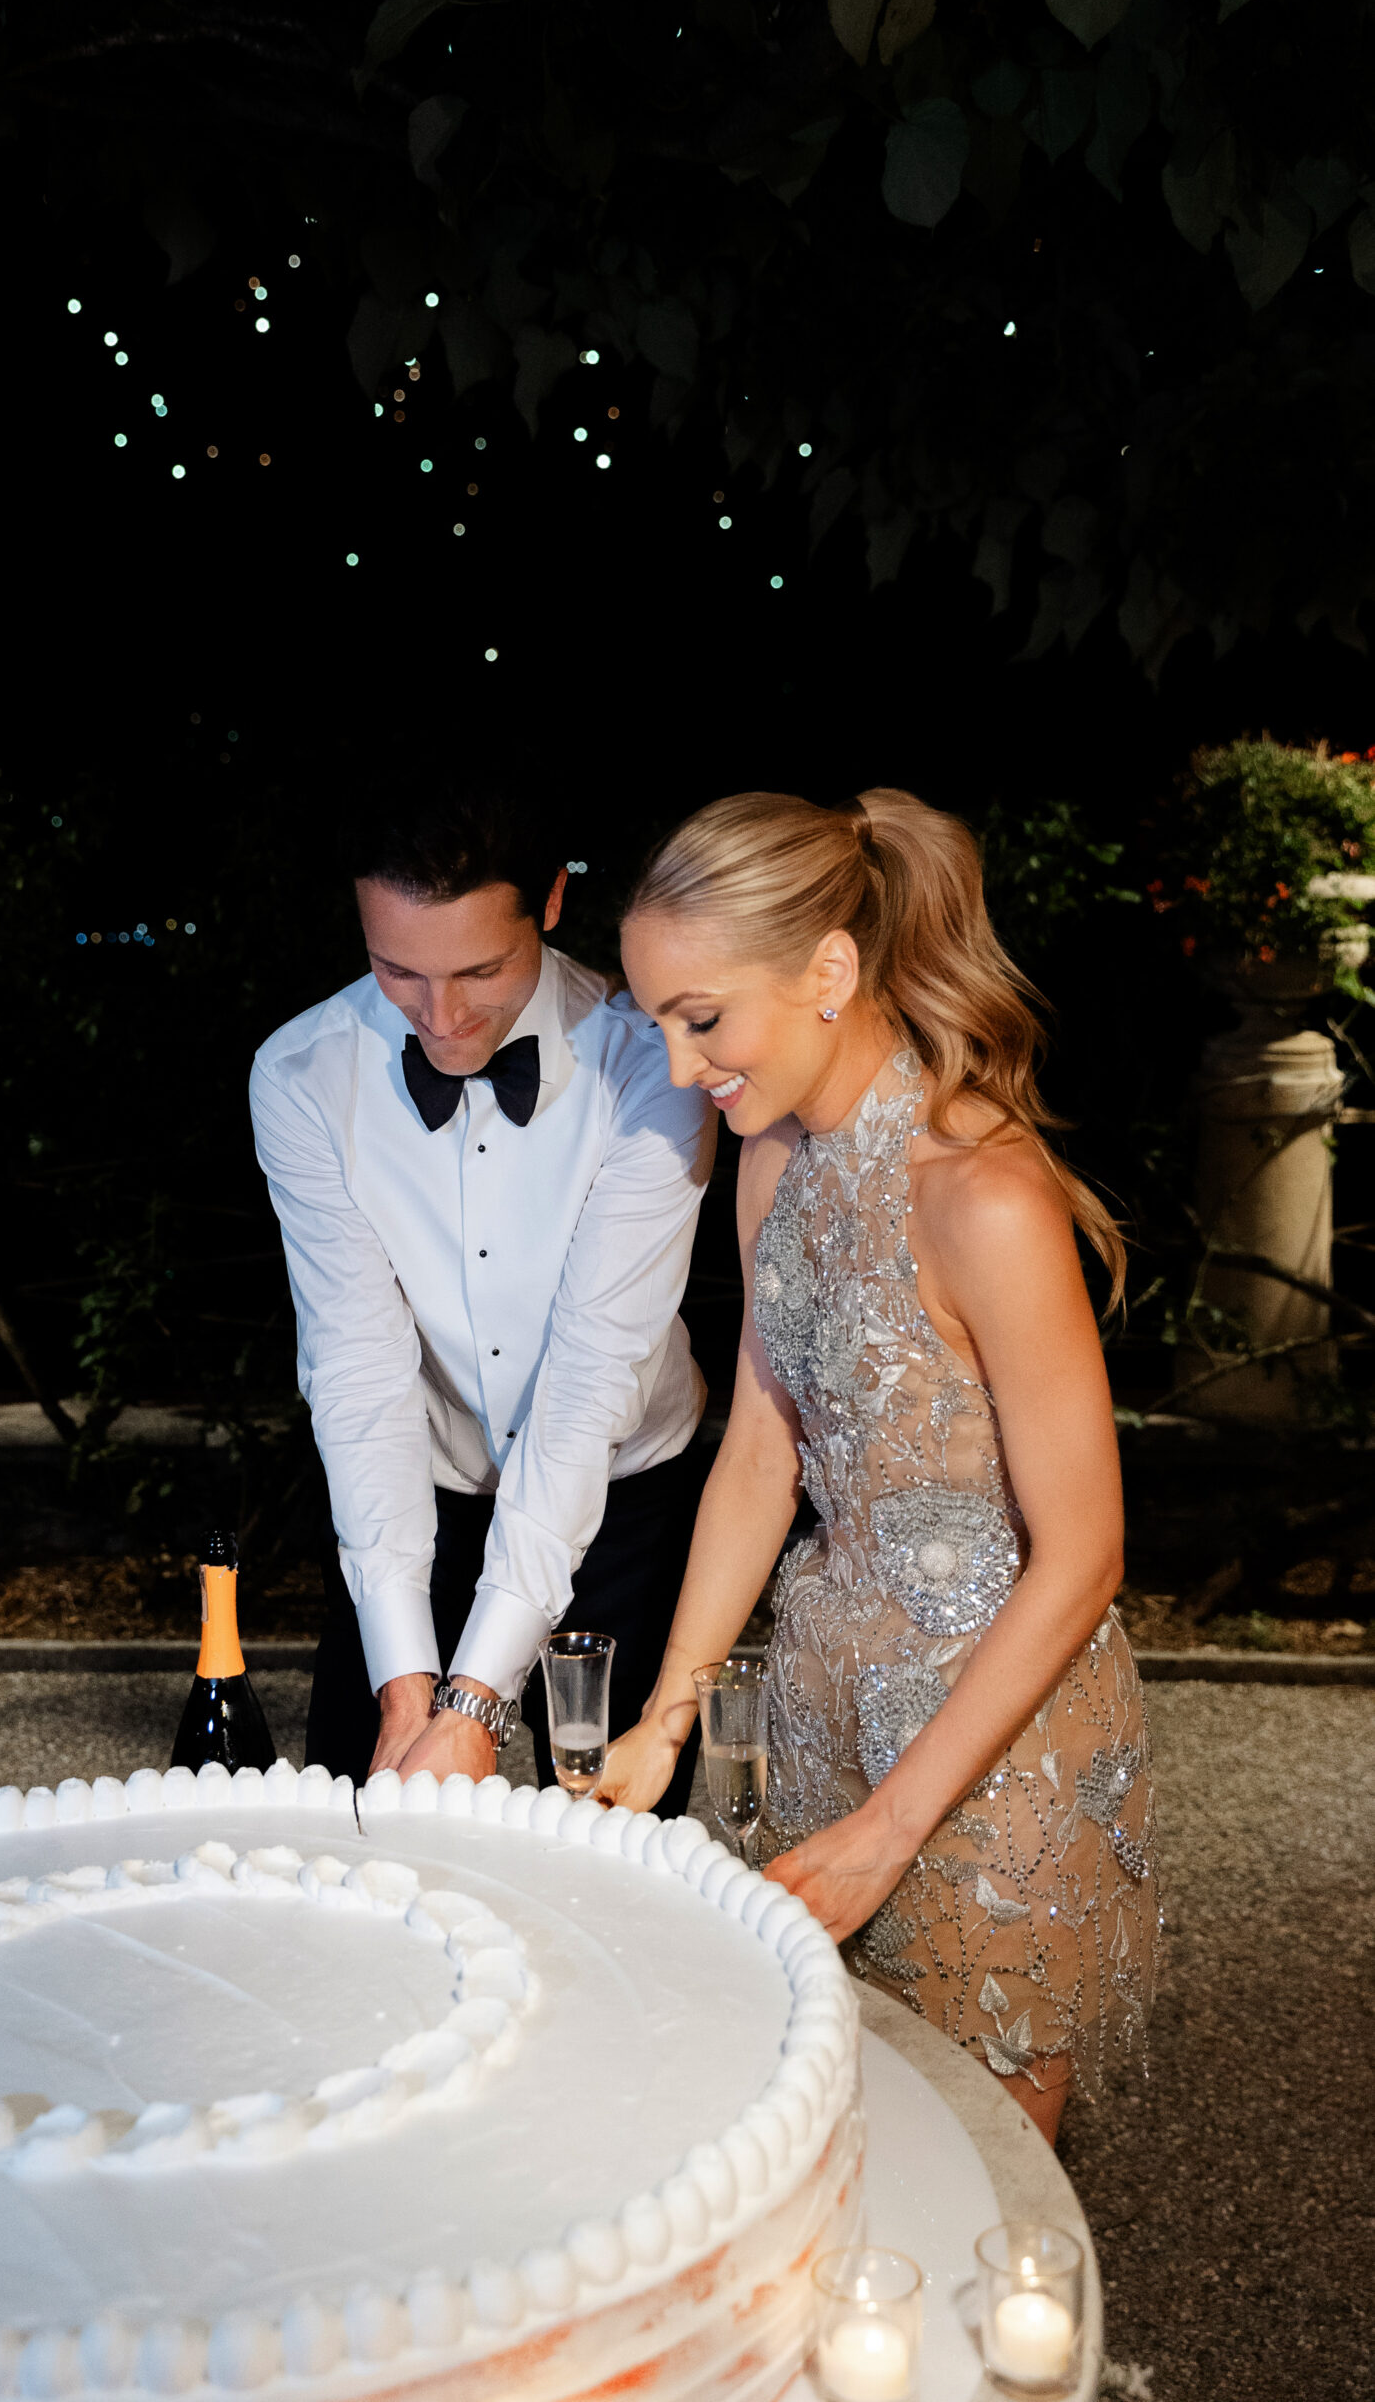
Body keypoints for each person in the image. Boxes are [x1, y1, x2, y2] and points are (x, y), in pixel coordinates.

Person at [601, 787, 1159, 2145]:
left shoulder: (986, 1196)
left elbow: (1084, 1553)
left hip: (995, 1753)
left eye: (700, 1019)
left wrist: (892, 1829)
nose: (677, 1067)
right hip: (816, 1717)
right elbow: (757, 1453)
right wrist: (667, 1717)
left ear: (829, 970)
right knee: (835, 2143)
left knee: (980, 2175)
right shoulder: (770, 1162)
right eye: (656, 1023)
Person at [249, 779, 717, 1809]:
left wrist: (475, 1706)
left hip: (624, 1494)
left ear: (550, 901)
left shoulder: (654, 1067)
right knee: (357, 1821)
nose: (443, 1016)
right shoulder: (301, 1075)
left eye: (480, 970)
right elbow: (358, 1370)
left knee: (609, 1849)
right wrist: (409, 1684)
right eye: (398, 971)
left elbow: (590, 1381)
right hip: (417, 1494)